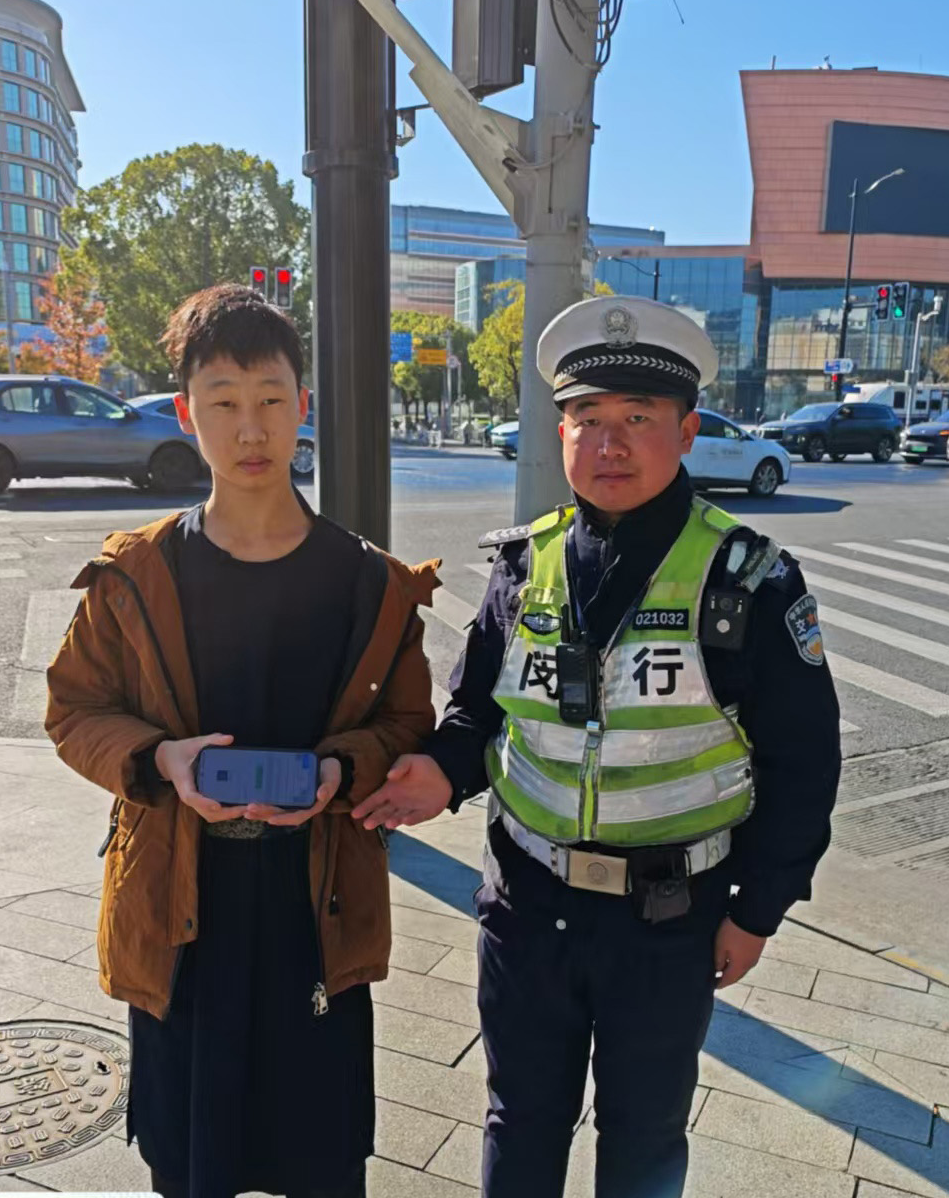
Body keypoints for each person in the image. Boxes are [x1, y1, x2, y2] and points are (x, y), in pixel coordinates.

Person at [354, 295, 841, 1198]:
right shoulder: (522, 564)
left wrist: (756, 909)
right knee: (518, 1119)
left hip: (668, 919)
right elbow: (479, 714)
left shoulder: (747, 580)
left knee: (644, 1137)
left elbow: (804, 765)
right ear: (560, 432)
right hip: (525, 904)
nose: (608, 444)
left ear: (687, 431)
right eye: (586, 419)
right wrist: (440, 773)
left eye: (637, 419)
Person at [46, 284, 439, 1198]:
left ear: (303, 405)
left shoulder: (370, 583)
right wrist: (160, 761)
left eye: (270, 399)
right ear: (186, 414)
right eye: (222, 402)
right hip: (180, 902)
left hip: (316, 903)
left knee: (321, 1157)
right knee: (189, 1161)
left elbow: (406, 723)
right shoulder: (138, 572)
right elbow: (74, 709)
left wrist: (341, 771)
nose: (250, 429)